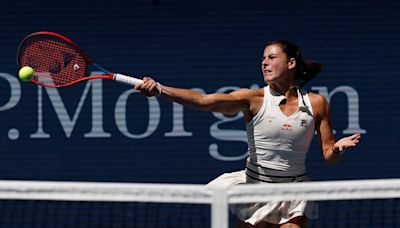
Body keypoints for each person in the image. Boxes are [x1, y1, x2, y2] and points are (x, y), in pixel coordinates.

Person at [134, 40, 361, 228]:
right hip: (255, 188)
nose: (264, 63)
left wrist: (338, 149)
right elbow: (204, 101)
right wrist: (161, 90)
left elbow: (329, 156)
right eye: (263, 59)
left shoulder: (317, 103)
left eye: (272, 58)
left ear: (291, 63)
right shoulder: (252, 99)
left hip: (293, 192)